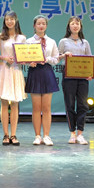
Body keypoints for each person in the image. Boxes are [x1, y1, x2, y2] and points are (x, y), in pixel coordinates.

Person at [0, 11, 27, 146]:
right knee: (4, 103)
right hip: (4, 70)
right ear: (4, 21)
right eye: (7, 19)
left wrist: (23, 60)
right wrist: (4, 58)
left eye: (12, 19)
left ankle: (13, 134)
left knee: (15, 103)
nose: (9, 22)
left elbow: (25, 55)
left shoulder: (22, 38)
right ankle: (5, 135)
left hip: (16, 70)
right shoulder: (0, 36)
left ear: (16, 21)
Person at [25, 15, 59, 146]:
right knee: (36, 107)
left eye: (43, 23)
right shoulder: (28, 41)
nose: (41, 26)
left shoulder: (51, 41)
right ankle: (37, 136)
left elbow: (56, 59)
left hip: (47, 72)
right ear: (34, 26)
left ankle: (46, 136)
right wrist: (29, 62)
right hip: (34, 72)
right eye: (38, 23)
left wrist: (47, 59)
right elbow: (23, 57)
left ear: (46, 26)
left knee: (46, 107)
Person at [58, 16, 92, 145]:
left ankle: (80, 134)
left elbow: (89, 59)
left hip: (82, 77)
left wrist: (90, 73)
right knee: (70, 104)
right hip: (68, 76)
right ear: (69, 26)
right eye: (72, 23)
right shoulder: (64, 41)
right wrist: (64, 55)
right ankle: (72, 133)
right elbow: (57, 57)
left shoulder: (85, 42)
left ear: (80, 26)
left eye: (77, 24)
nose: (75, 26)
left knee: (83, 105)